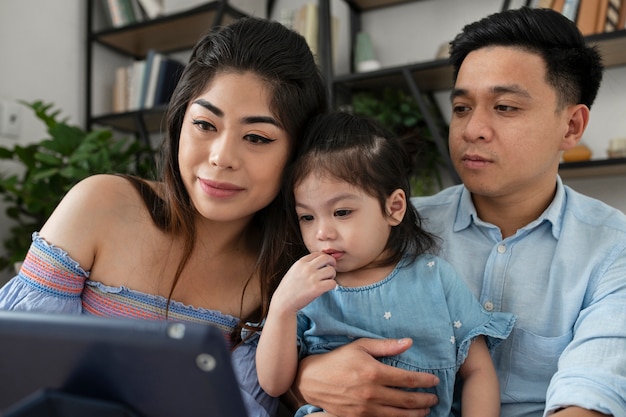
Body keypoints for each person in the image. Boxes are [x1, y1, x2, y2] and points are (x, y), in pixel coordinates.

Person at [293, 7, 626, 417]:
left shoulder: (613, 248)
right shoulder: (389, 227)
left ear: (572, 126)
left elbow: (591, 396)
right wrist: (306, 375)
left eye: (505, 107)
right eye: (462, 108)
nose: (472, 130)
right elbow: (314, 326)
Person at [0, 17, 327, 417]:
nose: (221, 157)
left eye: (256, 138)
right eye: (205, 124)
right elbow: (16, 370)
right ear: (179, 121)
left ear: (298, 154)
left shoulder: (288, 272)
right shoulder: (101, 204)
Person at [256, 112, 515, 417]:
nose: (322, 232)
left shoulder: (434, 279)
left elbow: (478, 372)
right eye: (307, 217)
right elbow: (273, 384)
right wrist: (282, 307)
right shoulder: (306, 288)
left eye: (341, 212)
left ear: (394, 208)